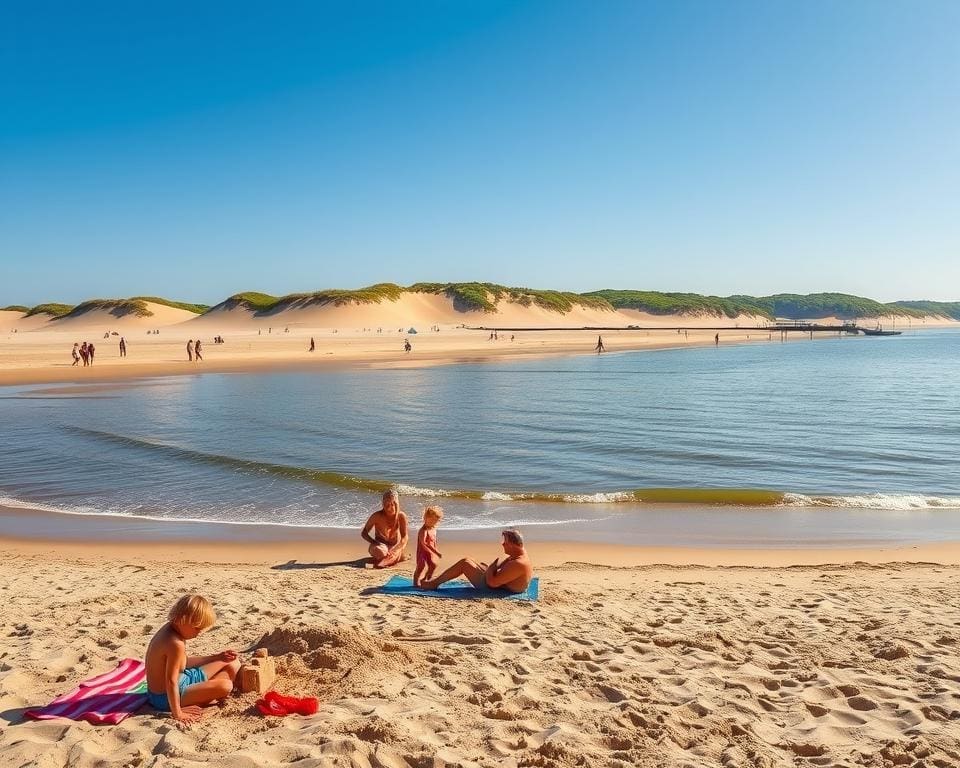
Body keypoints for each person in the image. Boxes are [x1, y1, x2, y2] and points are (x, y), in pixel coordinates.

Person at [145, 594, 240, 724]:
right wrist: (178, 713)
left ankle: (205, 693)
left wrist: (217, 657)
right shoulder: (174, 643)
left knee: (232, 662)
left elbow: (184, 663)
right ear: (184, 619)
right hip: (164, 697)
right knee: (226, 685)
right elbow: (171, 681)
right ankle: (205, 696)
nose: (199, 632)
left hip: (184, 678)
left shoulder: (174, 629)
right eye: (197, 628)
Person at [423, 529, 533, 594]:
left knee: (465, 563)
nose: (502, 544)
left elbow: (492, 583)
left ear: (514, 545)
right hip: (502, 584)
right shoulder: (519, 553)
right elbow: (502, 568)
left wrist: (490, 569)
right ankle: (436, 580)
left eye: (505, 542)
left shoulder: (518, 563)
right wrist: (490, 568)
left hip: (499, 590)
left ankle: (433, 584)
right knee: (471, 560)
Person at [361, 489, 409, 568]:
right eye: (387, 505)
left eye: (393, 504)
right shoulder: (377, 516)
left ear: (397, 504)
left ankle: (385, 561)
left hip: (394, 546)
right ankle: (391, 559)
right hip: (380, 546)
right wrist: (374, 542)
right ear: (383, 504)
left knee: (396, 552)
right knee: (380, 552)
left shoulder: (401, 516)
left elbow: (405, 537)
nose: (390, 508)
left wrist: (397, 548)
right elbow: (364, 533)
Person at [413, 506, 443, 587]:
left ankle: (426, 579)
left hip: (430, 552)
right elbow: (425, 543)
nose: (432, 522)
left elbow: (434, 542)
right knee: (420, 567)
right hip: (422, 552)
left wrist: (435, 550)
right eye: (430, 520)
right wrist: (436, 552)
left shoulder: (433, 529)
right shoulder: (423, 530)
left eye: (435, 521)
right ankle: (415, 583)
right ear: (425, 518)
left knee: (433, 565)